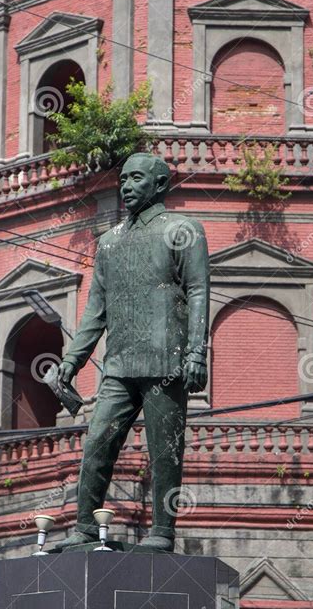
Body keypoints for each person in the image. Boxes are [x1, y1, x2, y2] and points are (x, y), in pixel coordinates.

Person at [55, 152, 210, 551]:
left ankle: (162, 531)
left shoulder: (182, 230)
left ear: (159, 185)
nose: (126, 186)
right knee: (97, 442)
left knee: (165, 451)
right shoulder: (109, 243)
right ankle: (86, 527)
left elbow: (197, 290)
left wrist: (196, 353)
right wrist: (71, 361)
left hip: (166, 360)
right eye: (123, 179)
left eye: (136, 178)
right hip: (119, 364)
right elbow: (95, 311)